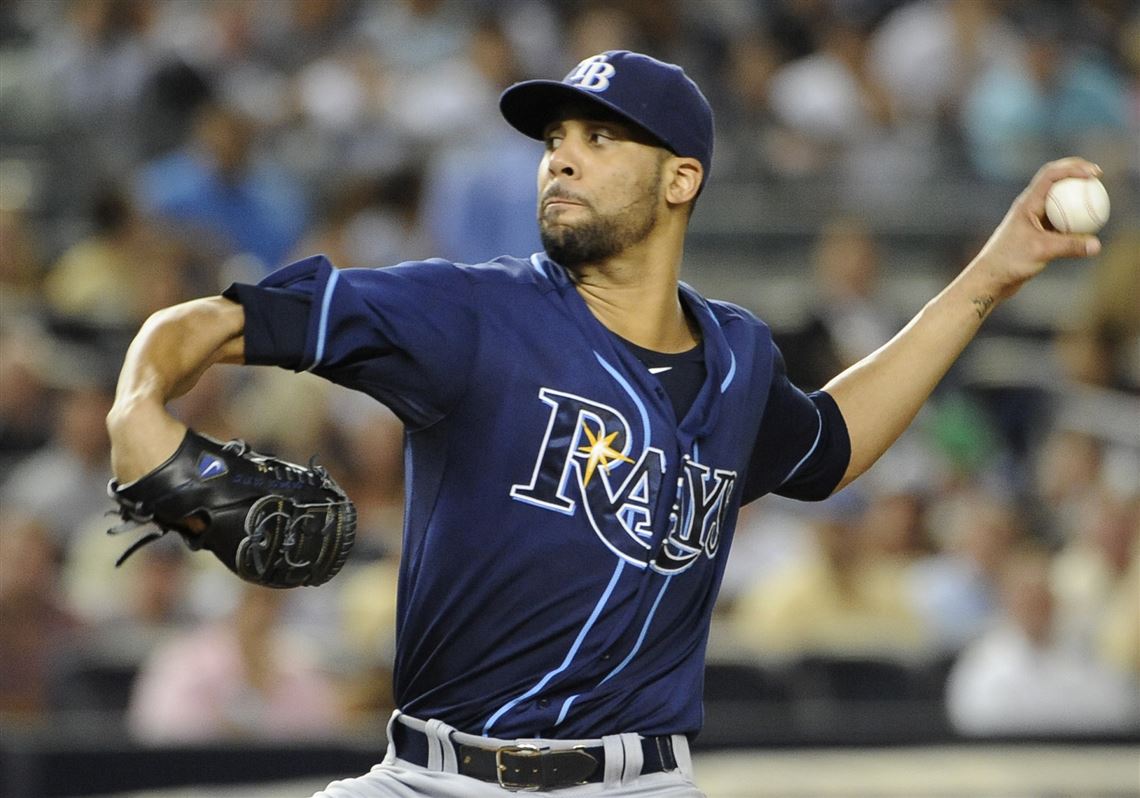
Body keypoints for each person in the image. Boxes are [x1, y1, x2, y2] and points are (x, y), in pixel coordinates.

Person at [106, 50, 1104, 797]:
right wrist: (138, 407)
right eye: (553, 142)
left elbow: (831, 449)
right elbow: (210, 322)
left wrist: (993, 275)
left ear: (683, 179)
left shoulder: (740, 358)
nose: (562, 162)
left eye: (601, 138)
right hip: (434, 780)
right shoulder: (466, 313)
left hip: (641, 784)